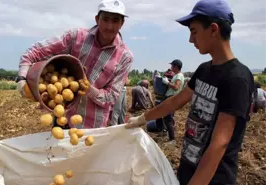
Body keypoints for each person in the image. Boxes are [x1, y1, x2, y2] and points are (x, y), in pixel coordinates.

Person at [125, 0, 255, 185]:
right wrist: (142, 119)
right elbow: (176, 101)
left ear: (213, 29)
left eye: (194, 31)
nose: (191, 39)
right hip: (189, 167)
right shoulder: (204, 70)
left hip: (212, 178)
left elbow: (220, 143)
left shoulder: (237, 79)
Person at [16, 0, 133, 129]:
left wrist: (90, 90)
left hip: (93, 126)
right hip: (63, 119)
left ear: (122, 23)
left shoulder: (124, 57)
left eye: (115, 21)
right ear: (97, 19)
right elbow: (35, 51)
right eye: (105, 19)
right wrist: (22, 77)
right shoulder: (76, 37)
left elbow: (111, 97)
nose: (109, 26)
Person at [158, 59, 185, 143]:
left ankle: (172, 139)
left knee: (168, 119)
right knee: (165, 117)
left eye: (172, 66)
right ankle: (166, 133)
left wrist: (167, 83)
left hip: (172, 98)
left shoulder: (179, 76)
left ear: (176, 66)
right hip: (170, 98)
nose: (171, 67)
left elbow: (176, 87)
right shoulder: (176, 75)